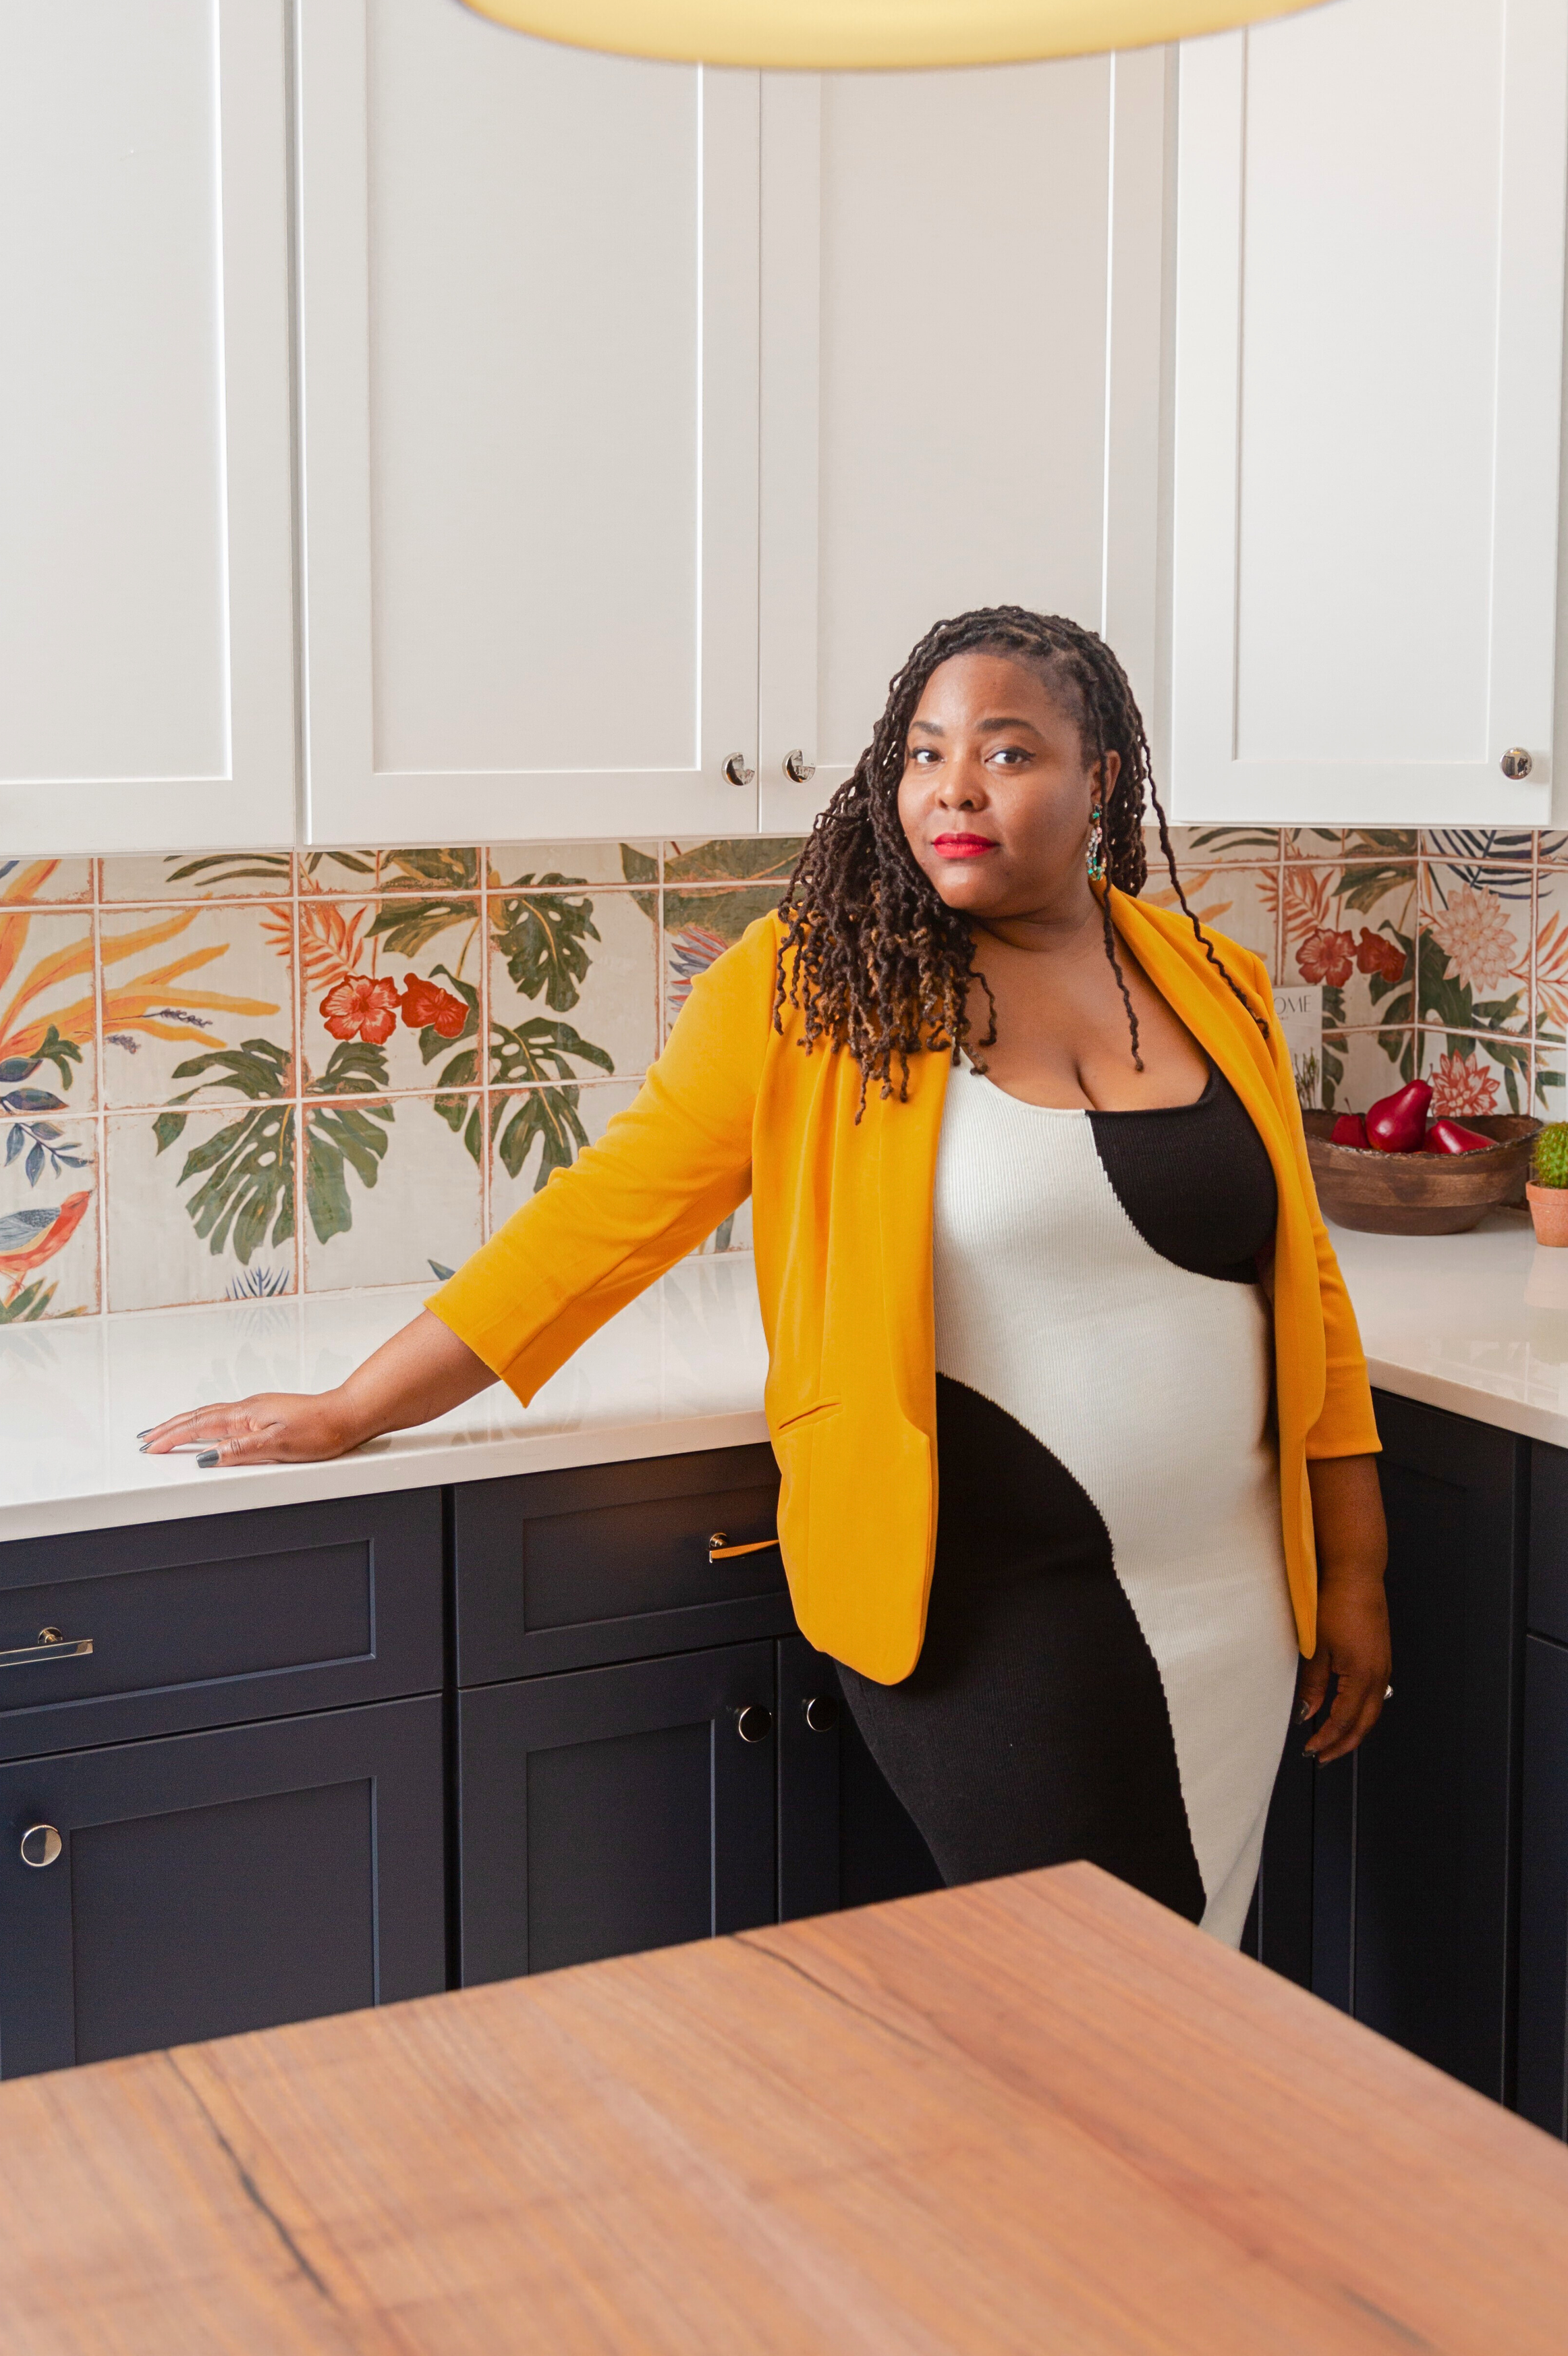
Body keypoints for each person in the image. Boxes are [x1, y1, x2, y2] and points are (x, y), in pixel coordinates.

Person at [141, 603, 1391, 1943]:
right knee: (1096, 2000)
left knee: (1196, 1985)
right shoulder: (815, 988)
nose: (953, 787)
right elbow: (602, 1221)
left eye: (1007, 753)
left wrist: (1356, 1569)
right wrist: (353, 1407)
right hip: (979, 1609)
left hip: (1230, 1599)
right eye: (922, 753)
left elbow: (1299, 1283)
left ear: (1100, 780)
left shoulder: (1211, 979)